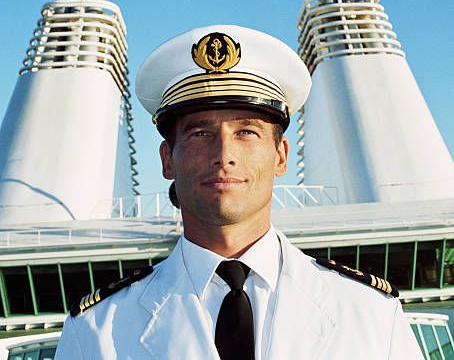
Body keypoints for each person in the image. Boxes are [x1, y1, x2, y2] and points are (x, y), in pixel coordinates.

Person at [55, 25, 423, 359]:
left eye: (246, 132)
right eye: (200, 134)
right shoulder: (96, 330)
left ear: (280, 156)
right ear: (167, 160)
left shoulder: (371, 313)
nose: (223, 155)